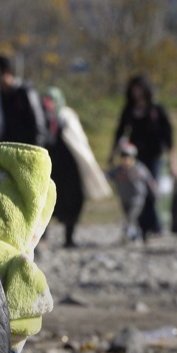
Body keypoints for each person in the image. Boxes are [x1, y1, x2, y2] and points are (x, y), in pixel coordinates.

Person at [110, 75, 177, 237]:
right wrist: (113, 154)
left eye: (139, 88)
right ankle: (142, 227)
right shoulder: (129, 110)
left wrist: (173, 161)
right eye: (134, 89)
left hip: (154, 157)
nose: (136, 92)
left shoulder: (157, 110)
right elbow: (119, 133)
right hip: (134, 158)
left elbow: (169, 138)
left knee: (152, 191)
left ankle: (154, 225)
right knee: (137, 193)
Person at [44, 88, 110, 248]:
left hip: (71, 169)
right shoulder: (44, 117)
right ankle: (43, 238)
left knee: (73, 203)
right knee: (47, 202)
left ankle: (69, 237)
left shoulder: (67, 117)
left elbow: (78, 143)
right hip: (52, 168)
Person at [0, 55, 51, 147]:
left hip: (29, 150)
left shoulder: (25, 92)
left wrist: (34, 150)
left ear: (7, 72)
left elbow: (39, 126)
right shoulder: (2, 96)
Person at [107, 140, 156, 243]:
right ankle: (137, 236)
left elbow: (150, 181)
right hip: (124, 199)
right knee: (132, 219)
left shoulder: (139, 169)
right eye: (123, 157)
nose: (126, 160)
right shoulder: (118, 171)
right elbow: (106, 176)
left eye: (128, 157)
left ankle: (126, 235)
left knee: (131, 217)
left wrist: (154, 193)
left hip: (137, 199)